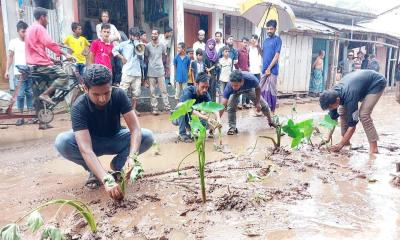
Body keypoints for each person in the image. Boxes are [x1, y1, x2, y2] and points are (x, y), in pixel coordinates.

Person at [55, 64, 154, 199]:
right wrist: (105, 179)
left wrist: (132, 157)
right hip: (91, 143)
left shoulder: (119, 94)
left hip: (115, 138)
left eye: (106, 93)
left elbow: (135, 129)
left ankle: (120, 165)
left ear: (111, 87)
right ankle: (95, 172)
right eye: (96, 94)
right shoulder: (78, 107)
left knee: (147, 136)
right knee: (62, 142)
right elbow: (85, 149)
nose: (102, 99)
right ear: (85, 89)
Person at [25, 7, 72, 129]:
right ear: (42, 17)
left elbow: (37, 49)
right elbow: (49, 43)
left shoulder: (30, 29)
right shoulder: (39, 28)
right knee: (63, 76)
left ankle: (42, 122)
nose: (48, 21)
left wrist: (53, 60)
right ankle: (46, 94)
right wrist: (65, 54)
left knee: (38, 92)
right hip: (41, 65)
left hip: (33, 65)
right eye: (47, 18)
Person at [319, 70, 387, 154]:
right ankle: (346, 143)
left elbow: (352, 126)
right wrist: (328, 137)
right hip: (357, 85)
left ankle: (374, 148)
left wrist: (340, 144)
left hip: (376, 83)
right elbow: (333, 119)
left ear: (337, 100)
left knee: (364, 114)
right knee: (341, 111)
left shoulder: (350, 98)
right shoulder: (331, 96)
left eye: (330, 107)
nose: (330, 109)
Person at [219, 70, 275, 135]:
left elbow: (258, 88)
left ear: (242, 81)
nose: (234, 87)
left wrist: (257, 103)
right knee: (230, 107)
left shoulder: (251, 79)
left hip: (249, 89)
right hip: (235, 93)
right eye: (232, 85)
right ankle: (232, 127)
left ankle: (270, 121)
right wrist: (217, 120)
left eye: (236, 85)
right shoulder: (230, 87)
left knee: (263, 105)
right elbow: (222, 105)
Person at [177, 72, 221, 142]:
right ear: (196, 84)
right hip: (180, 118)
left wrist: (218, 119)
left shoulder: (205, 94)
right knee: (181, 106)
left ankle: (192, 130)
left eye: (206, 87)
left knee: (208, 123)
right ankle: (182, 134)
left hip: (193, 118)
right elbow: (189, 109)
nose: (205, 90)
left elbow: (212, 107)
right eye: (202, 87)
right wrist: (204, 117)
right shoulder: (188, 91)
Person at [5, 21, 32, 126]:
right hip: (18, 73)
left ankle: (30, 116)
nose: (25, 34)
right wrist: (7, 70)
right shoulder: (13, 42)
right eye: (23, 31)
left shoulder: (29, 42)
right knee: (20, 95)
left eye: (26, 31)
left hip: (30, 72)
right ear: (18, 31)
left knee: (30, 93)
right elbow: (10, 57)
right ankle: (20, 117)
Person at [113, 27, 143, 116]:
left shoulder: (140, 45)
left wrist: (139, 52)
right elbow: (114, 50)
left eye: (137, 36)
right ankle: (122, 110)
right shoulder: (124, 44)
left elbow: (142, 58)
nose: (135, 38)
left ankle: (133, 109)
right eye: (134, 36)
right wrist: (121, 57)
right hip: (127, 71)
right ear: (130, 35)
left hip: (137, 72)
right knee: (123, 91)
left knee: (136, 93)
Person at [145, 29, 171, 115]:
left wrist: (166, 67)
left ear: (158, 35)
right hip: (151, 70)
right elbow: (146, 57)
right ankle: (154, 108)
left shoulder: (162, 45)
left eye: (155, 34)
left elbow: (165, 56)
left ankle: (167, 107)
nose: (153, 35)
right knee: (152, 91)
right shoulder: (147, 46)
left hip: (160, 70)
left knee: (163, 90)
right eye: (152, 33)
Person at [261, 20, 282, 115]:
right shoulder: (265, 41)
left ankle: (273, 111)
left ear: (275, 29)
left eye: (271, 29)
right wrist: (257, 47)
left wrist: (269, 68)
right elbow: (263, 54)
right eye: (268, 29)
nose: (269, 30)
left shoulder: (278, 40)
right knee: (260, 88)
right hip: (264, 69)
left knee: (273, 90)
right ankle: (262, 109)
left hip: (272, 70)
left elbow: (277, 56)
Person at [236, 37, 251, 109]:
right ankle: (239, 103)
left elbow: (248, 61)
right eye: (244, 42)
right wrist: (238, 68)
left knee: (245, 87)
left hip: (246, 71)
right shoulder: (238, 51)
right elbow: (236, 62)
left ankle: (244, 102)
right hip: (240, 72)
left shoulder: (247, 51)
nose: (245, 44)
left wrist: (248, 67)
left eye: (246, 43)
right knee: (239, 87)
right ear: (241, 42)